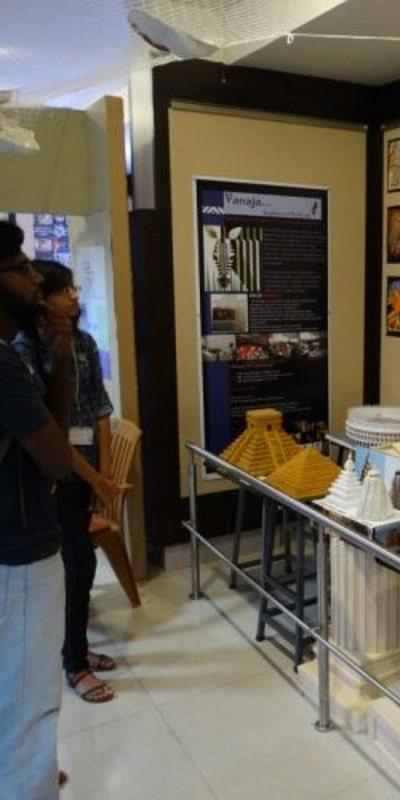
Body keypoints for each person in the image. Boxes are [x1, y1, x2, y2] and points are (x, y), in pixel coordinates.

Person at [15, 259, 120, 704]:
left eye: (75, 288)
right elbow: (51, 435)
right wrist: (96, 478)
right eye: (64, 291)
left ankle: (75, 648)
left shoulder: (84, 342)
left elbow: (100, 411)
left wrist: (104, 476)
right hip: (52, 479)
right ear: (41, 300)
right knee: (74, 567)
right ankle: (74, 663)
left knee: (81, 566)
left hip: (85, 475)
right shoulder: (23, 352)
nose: (74, 296)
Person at [0, 221, 74, 799]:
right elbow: (55, 461)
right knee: (29, 698)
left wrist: (61, 351)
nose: (34, 280)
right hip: (20, 549)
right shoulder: (2, 364)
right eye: (21, 269)